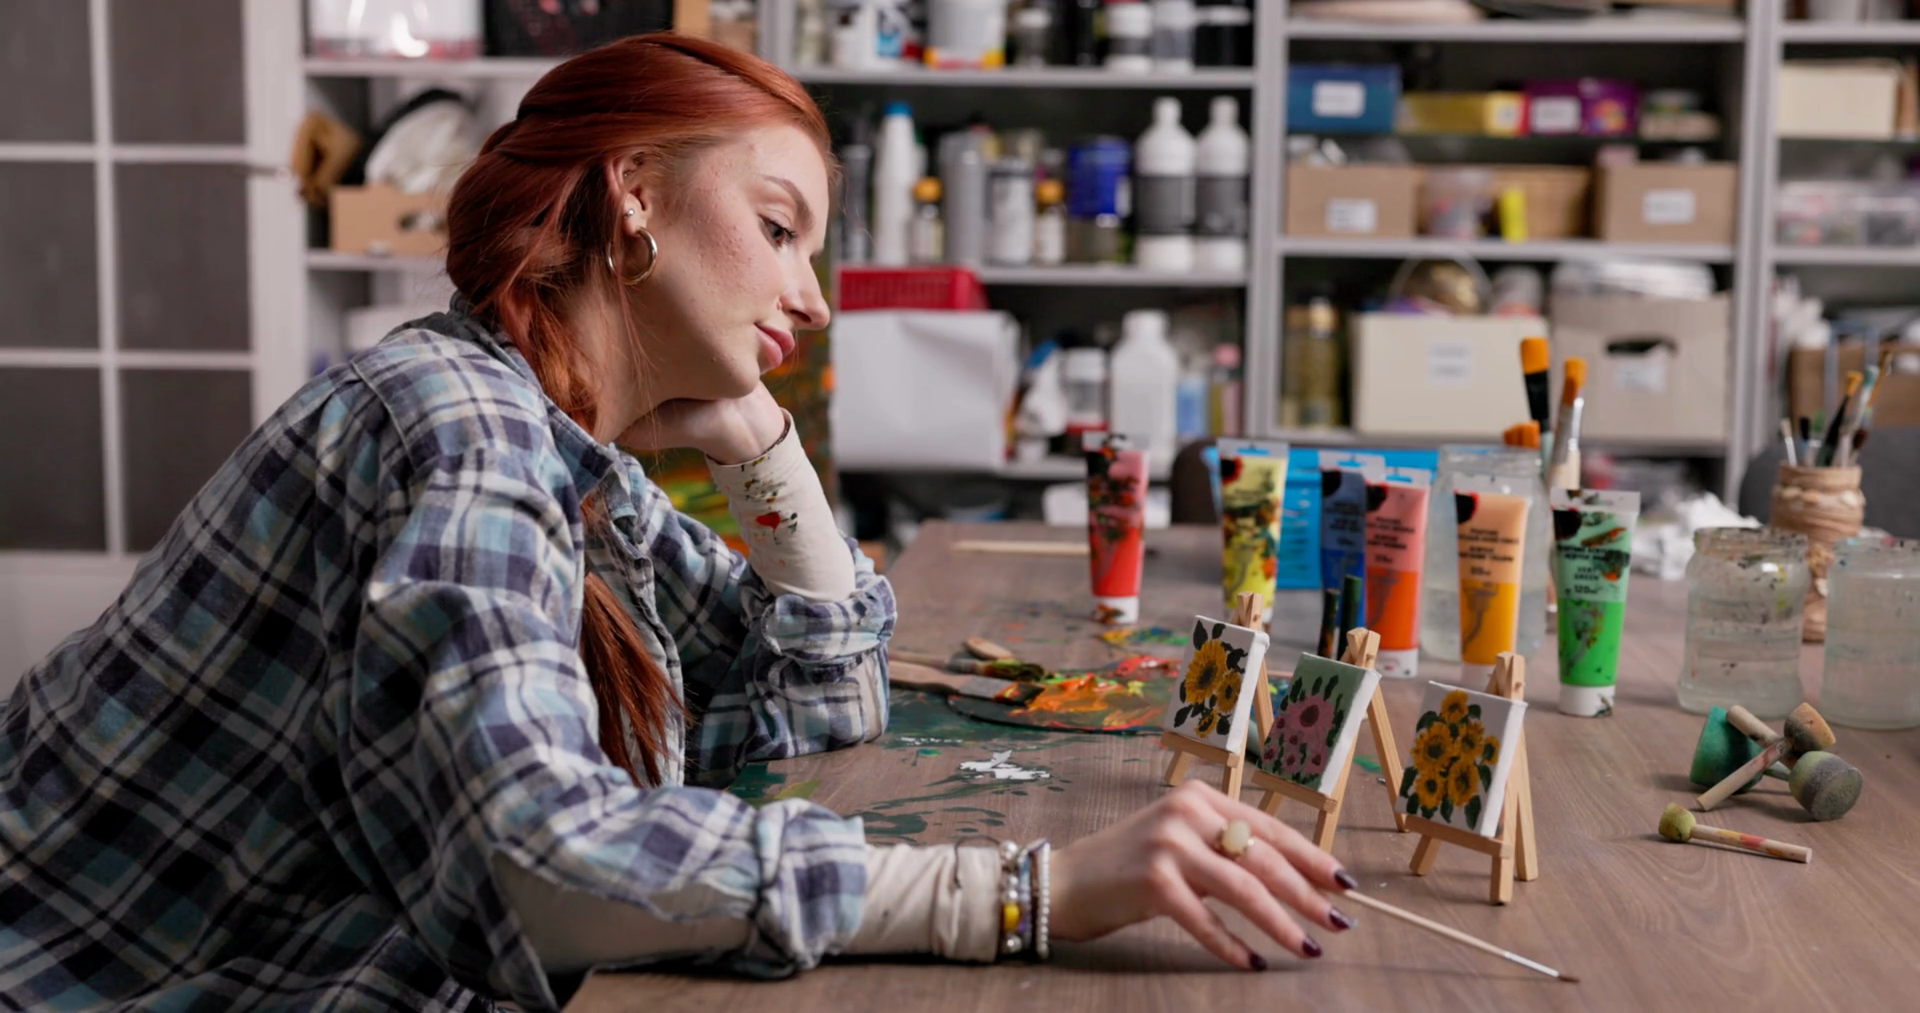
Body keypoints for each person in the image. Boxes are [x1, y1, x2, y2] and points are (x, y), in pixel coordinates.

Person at [0, 34, 1354, 1013]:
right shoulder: (454, 425)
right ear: (634, 192)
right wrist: (1021, 893)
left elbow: (828, 706)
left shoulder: (568, 448)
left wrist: (760, 442)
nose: (814, 297)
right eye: (779, 228)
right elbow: (544, 865)